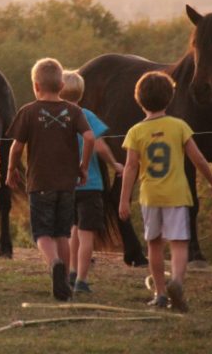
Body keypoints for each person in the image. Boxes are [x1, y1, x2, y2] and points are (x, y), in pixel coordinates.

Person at [118, 71, 212, 312]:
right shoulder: (179, 126)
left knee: (154, 244)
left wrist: (124, 200)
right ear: (170, 98)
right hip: (176, 194)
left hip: (150, 196)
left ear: (139, 100)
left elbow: (131, 168)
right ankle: (176, 281)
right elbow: (198, 159)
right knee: (179, 243)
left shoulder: (135, 132)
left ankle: (161, 293)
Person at [6, 58, 94, 301]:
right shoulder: (74, 111)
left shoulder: (28, 111)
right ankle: (65, 281)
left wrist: (12, 169)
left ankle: (53, 262)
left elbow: (15, 147)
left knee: (42, 233)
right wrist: (83, 167)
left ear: (36, 86)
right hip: (67, 184)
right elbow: (89, 138)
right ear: (62, 85)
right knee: (62, 234)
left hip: (40, 183)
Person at [60, 70, 124, 294]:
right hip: (90, 185)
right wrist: (114, 164)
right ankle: (82, 280)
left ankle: (71, 271)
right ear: (81, 93)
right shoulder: (86, 115)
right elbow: (98, 145)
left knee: (72, 230)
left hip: (66, 186)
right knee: (87, 235)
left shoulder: (55, 117)